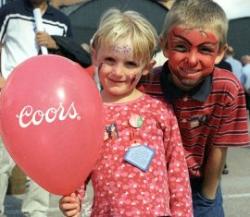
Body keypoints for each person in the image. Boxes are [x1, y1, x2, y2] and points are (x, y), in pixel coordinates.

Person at [59, 8, 193, 217]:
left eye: (130, 64)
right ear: (95, 56)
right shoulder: (86, 114)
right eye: (110, 60)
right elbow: (78, 169)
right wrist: (73, 198)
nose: (118, 72)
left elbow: (177, 174)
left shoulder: (159, 110)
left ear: (147, 67)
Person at [141, 0, 249, 217]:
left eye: (205, 49)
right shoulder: (145, 85)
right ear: (165, 46)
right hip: (155, 181)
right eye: (181, 46)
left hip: (201, 184)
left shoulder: (227, 88)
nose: (191, 60)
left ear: (220, 53)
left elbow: (220, 147)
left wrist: (207, 198)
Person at [0, 0, 72, 216]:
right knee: (3, 159)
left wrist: (55, 43)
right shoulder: (9, 12)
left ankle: (36, 212)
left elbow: (71, 59)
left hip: (43, 102)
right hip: (10, 96)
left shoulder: (62, 21)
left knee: (40, 162)